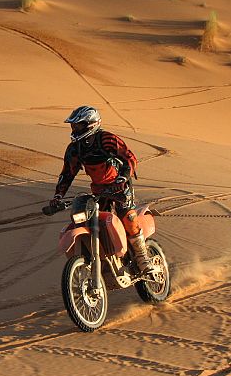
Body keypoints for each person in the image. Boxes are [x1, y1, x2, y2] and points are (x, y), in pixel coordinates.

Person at [50, 105, 155, 275]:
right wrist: (57, 196)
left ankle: (143, 258)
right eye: (73, 126)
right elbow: (67, 174)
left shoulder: (107, 139)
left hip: (120, 185)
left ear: (91, 124)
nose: (75, 129)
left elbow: (129, 158)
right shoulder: (74, 149)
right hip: (99, 191)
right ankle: (105, 258)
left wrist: (122, 178)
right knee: (95, 222)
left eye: (79, 125)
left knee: (127, 216)